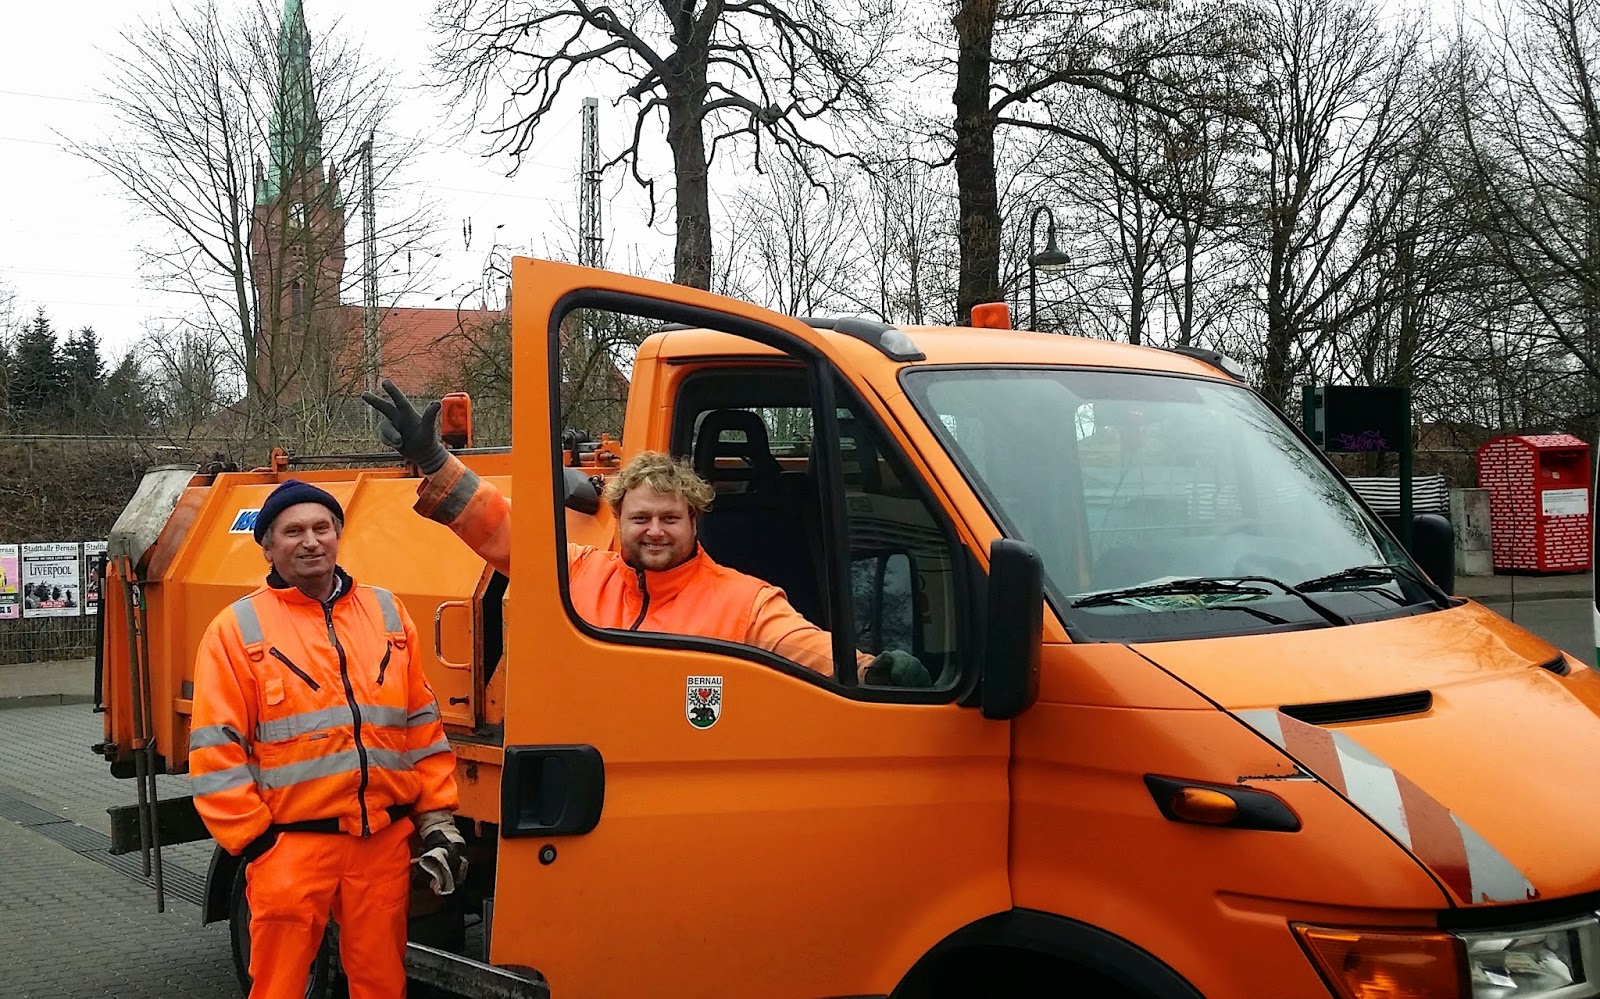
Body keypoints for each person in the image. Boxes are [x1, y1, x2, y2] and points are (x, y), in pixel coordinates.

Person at [363, 380, 930, 687]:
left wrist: (868, 669)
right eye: (640, 519)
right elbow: (495, 524)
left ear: (694, 522)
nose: (654, 531)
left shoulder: (745, 601)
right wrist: (433, 457)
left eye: (669, 518)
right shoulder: (583, 572)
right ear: (621, 521)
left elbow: (803, 648)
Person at [187, 479, 465, 999]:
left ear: (339, 534)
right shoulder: (236, 629)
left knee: (382, 985)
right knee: (279, 988)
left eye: (322, 527)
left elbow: (421, 727)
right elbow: (215, 750)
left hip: (381, 845)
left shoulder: (388, 614)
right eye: (293, 532)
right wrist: (258, 843)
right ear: (267, 546)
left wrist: (436, 818)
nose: (311, 541)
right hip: (290, 848)